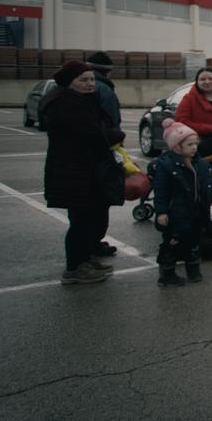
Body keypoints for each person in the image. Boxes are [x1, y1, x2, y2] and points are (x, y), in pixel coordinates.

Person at [40, 61, 125, 284]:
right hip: (73, 171)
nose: (90, 84)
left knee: (89, 218)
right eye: (83, 80)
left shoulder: (80, 100)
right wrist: (115, 135)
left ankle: (84, 259)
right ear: (70, 82)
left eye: (91, 79)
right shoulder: (65, 104)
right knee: (80, 221)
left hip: (85, 169)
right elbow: (93, 136)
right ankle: (74, 268)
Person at [153, 119, 212, 287]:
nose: (194, 147)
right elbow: (161, 191)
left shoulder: (200, 164)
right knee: (172, 243)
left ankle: (193, 270)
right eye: (189, 144)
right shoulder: (167, 166)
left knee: (193, 243)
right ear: (177, 147)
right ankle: (167, 273)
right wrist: (162, 212)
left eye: (195, 143)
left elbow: (202, 184)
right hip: (176, 214)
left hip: (195, 213)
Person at [86, 50, 123, 258]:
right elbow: (112, 122)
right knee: (99, 202)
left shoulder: (91, 89)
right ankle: (92, 244)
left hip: (91, 155)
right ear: (108, 71)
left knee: (91, 204)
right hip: (102, 154)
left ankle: (91, 244)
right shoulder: (104, 90)